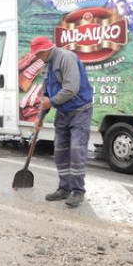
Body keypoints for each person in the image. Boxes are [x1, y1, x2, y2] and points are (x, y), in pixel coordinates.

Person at [29, 35, 94, 207]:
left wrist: (50, 102)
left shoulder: (66, 58)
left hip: (80, 110)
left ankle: (78, 191)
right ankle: (64, 188)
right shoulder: (48, 65)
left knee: (76, 151)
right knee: (60, 151)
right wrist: (40, 118)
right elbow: (46, 94)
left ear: (46, 50)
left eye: (38, 54)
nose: (36, 57)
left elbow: (71, 89)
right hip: (64, 112)